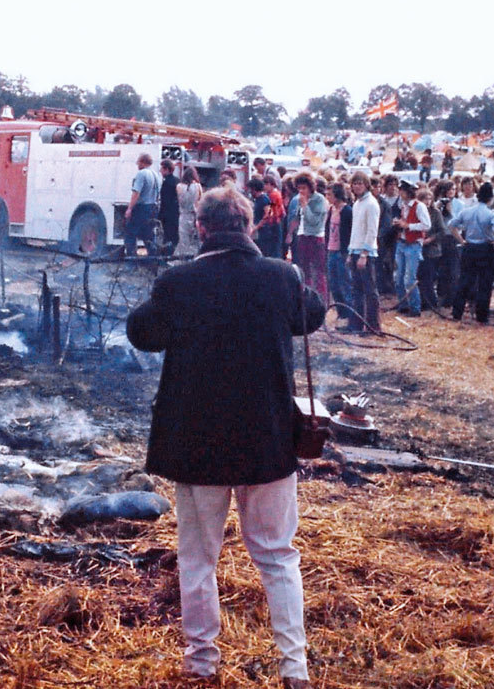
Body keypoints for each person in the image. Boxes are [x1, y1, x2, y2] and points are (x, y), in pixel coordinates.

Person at [127, 186, 324, 689]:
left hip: (199, 446)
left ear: (202, 227)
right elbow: (314, 313)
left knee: (198, 560)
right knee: (278, 556)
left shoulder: (179, 282)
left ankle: (201, 663)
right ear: (250, 225)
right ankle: (294, 669)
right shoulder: (281, 277)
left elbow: (141, 332)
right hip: (269, 443)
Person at [447, 181, 494, 323]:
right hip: (485, 248)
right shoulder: (490, 214)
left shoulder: (467, 211)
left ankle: (457, 312)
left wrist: (461, 240)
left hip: (469, 247)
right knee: (484, 283)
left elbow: (451, 225)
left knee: (464, 280)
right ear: (490, 198)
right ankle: (482, 316)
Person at [347, 174, 382, 333]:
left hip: (366, 253)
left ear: (366, 185)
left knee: (370, 291)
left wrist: (364, 254)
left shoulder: (371, 204)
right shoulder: (357, 204)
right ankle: (356, 323)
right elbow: (355, 230)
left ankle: (373, 326)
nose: (357, 186)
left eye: (360, 183)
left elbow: (372, 231)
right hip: (355, 250)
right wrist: (350, 251)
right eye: (355, 183)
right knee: (357, 290)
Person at [286, 174, 328, 302]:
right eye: (299, 188)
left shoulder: (319, 200)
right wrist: (290, 233)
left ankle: (321, 300)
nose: (301, 191)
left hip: (315, 237)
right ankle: (308, 299)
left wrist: (305, 206)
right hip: (302, 236)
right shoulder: (299, 199)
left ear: (311, 187)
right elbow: (297, 218)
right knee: (304, 270)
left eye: (304, 188)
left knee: (318, 272)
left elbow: (314, 220)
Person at [391, 179, 431, 316]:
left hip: (413, 245)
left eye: (401, 190)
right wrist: (399, 224)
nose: (399, 192)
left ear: (407, 192)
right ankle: (403, 305)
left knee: (409, 279)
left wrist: (409, 226)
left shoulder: (419, 206)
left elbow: (426, 225)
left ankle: (415, 308)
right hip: (402, 242)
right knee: (398, 277)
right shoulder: (403, 206)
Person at [324, 181, 356, 328]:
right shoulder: (331, 210)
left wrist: (347, 252)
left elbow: (350, 233)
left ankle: (350, 316)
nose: (327, 196)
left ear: (337, 195)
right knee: (334, 284)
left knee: (345, 284)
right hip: (331, 250)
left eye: (329, 194)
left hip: (341, 252)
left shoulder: (347, 211)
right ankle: (341, 312)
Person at [125, 153, 161, 256]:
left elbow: (136, 193)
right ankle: (153, 259)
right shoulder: (156, 175)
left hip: (141, 208)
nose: (137, 165)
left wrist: (129, 209)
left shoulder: (141, 174)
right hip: (153, 207)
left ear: (143, 162)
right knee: (149, 235)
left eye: (138, 163)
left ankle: (131, 260)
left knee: (130, 233)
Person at [175, 166, 203, 256]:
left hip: (183, 214)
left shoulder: (179, 186)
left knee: (184, 239)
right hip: (194, 215)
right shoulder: (198, 186)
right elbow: (200, 200)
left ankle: (183, 258)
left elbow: (179, 199)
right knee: (196, 240)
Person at [158, 159, 181, 255]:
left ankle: (166, 255)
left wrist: (160, 215)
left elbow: (165, 200)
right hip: (176, 212)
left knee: (167, 236)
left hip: (168, 214)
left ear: (167, 169)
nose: (160, 171)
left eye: (162, 169)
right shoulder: (177, 181)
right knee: (174, 235)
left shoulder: (167, 182)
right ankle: (172, 253)